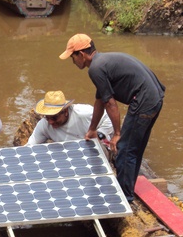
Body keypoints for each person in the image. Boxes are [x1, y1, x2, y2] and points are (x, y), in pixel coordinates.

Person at [60, 33, 165, 203]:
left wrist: (117, 133)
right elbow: (100, 100)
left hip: (144, 101)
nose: (73, 62)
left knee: (124, 147)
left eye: (73, 57)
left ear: (82, 54)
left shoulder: (95, 68)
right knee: (134, 147)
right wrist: (92, 129)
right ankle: (128, 187)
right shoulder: (103, 62)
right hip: (155, 98)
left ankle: (123, 197)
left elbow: (110, 103)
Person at [25, 90, 114, 146]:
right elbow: (30, 146)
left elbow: (109, 118)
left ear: (66, 111)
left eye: (54, 118)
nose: (51, 122)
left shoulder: (83, 113)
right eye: (47, 118)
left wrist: (99, 134)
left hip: (94, 147)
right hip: (66, 153)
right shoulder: (44, 125)